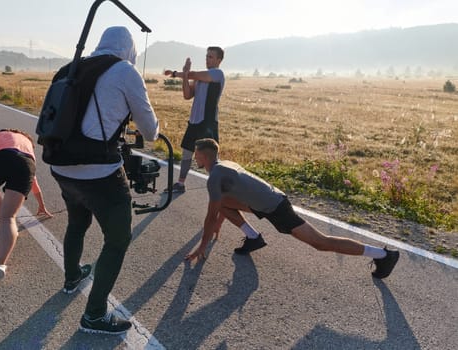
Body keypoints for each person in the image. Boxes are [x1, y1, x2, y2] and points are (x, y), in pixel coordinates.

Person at [50, 26, 159, 335]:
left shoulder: (67, 68)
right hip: (99, 173)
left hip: (61, 167)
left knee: (77, 222)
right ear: (129, 50)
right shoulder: (124, 71)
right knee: (118, 239)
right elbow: (150, 131)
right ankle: (94, 316)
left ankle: (72, 276)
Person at [185, 138, 400, 279]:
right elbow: (221, 204)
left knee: (321, 243)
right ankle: (253, 237)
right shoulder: (225, 166)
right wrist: (219, 222)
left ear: (204, 156)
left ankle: (383, 255)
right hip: (266, 201)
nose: (195, 157)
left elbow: (209, 215)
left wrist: (203, 244)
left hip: (276, 207)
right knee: (222, 202)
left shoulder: (214, 177)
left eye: (196, 154)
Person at [0, 128, 52, 282]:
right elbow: (34, 183)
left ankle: (5, 224)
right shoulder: (28, 148)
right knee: (9, 218)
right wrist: (41, 205)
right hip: (26, 166)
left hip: (1, 159)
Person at [164, 46, 225, 193]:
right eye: (206, 56)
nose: (207, 59)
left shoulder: (217, 74)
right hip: (194, 121)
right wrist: (184, 76)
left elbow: (194, 74)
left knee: (210, 156)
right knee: (186, 152)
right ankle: (180, 183)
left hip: (208, 122)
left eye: (210, 57)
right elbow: (187, 94)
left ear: (219, 60)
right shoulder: (199, 79)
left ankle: (220, 188)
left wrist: (175, 73)